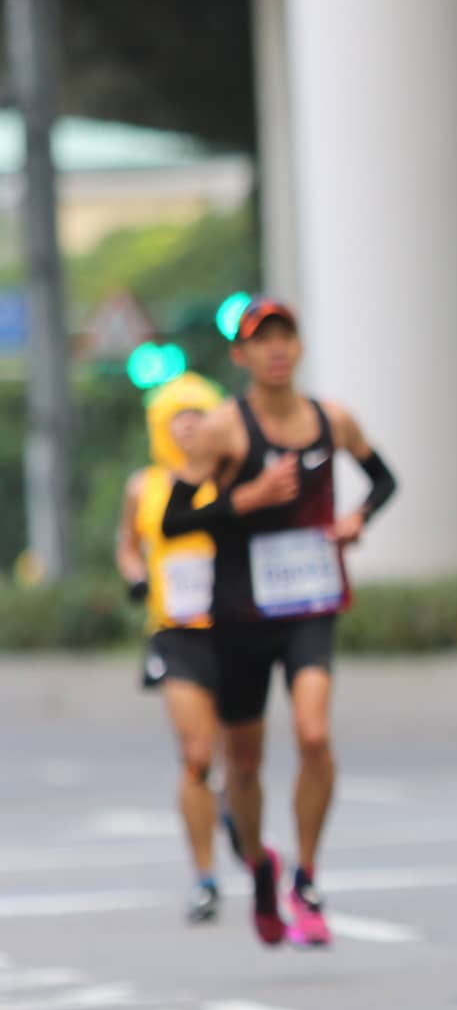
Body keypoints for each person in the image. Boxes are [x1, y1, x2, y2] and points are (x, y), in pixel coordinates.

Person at [162, 297, 399, 947]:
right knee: (244, 762)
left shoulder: (334, 420)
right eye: (261, 340)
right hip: (240, 615)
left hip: (311, 605)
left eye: (285, 336)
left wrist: (357, 518)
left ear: (298, 348)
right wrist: (246, 498)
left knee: (315, 735)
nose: (275, 349)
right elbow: (174, 522)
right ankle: (261, 866)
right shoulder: (222, 430)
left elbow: (384, 480)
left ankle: (309, 874)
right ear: (240, 355)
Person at [114, 373, 239, 924]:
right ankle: (205, 876)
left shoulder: (230, 478)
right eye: (176, 419)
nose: (187, 428)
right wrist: (136, 575)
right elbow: (127, 547)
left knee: (239, 755)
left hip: (234, 628)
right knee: (196, 755)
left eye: (197, 417)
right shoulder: (145, 487)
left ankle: (238, 812)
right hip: (176, 632)